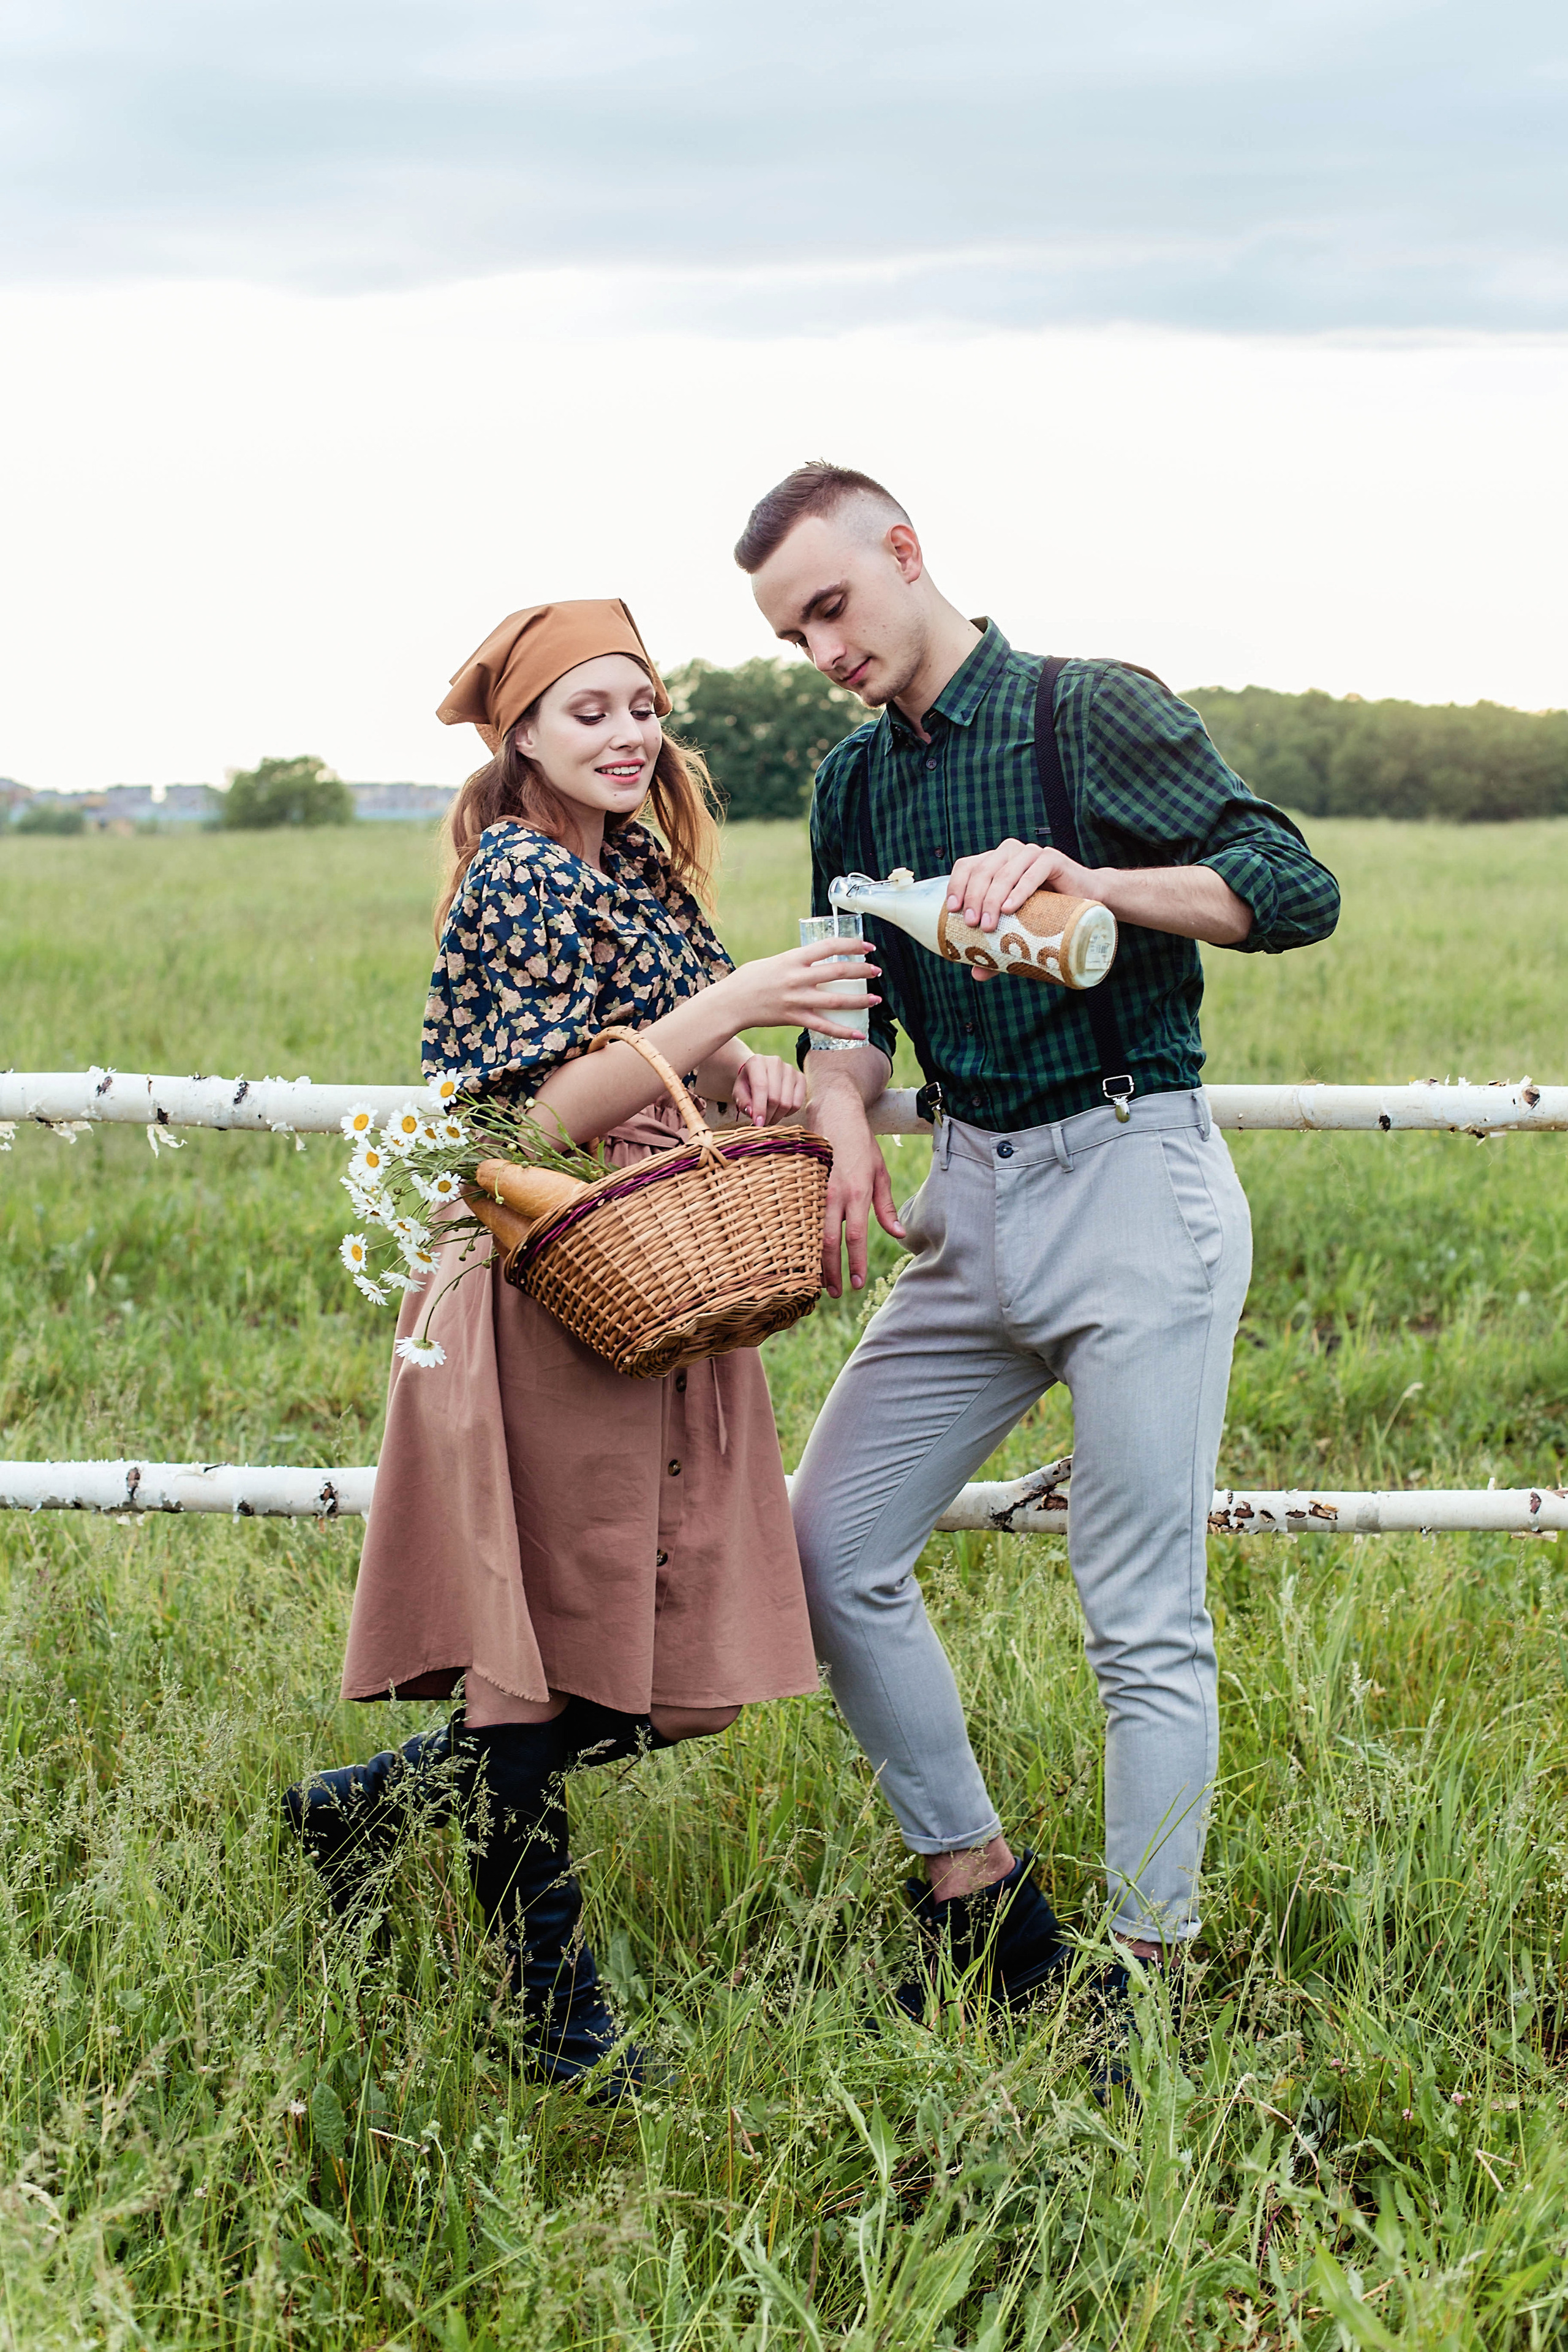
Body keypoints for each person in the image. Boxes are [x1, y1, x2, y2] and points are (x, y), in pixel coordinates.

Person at [736, 464, 1341, 2015]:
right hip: (972, 1202)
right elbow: (846, 1005)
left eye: (831, 607)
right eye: (791, 633)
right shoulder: (849, 788)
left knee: (1139, 1606)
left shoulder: (1089, 711)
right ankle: (976, 1892)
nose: (822, 651)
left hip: (1133, 1174)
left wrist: (1095, 883)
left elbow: (1291, 886)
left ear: (905, 551)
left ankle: (1141, 1980)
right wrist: (843, 1110)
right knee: (827, 1543)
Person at [284, 598, 878, 2090]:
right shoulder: (517, 879)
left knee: (645, 1658)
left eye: (641, 706)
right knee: (544, 1668)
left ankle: (365, 1814)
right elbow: (510, 1132)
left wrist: (746, 1055)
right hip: (544, 1283)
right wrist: (727, 1009)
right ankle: (557, 2027)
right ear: (524, 738)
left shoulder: (637, 874)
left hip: (650, 1280)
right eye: (587, 713)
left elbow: (662, 1033)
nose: (626, 737)